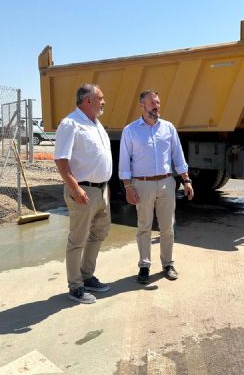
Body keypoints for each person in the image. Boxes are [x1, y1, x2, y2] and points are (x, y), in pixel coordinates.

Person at [119, 90, 194, 284]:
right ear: (141, 105)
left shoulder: (168, 128)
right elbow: (124, 162)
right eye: (152, 103)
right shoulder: (130, 130)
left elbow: (178, 156)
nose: (156, 106)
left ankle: (168, 264)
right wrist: (127, 186)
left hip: (166, 183)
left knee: (167, 227)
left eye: (158, 103)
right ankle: (144, 266)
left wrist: (186, 180)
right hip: (142, 184)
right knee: (144, 227)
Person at [54, 83, 112, 304]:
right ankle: (75, 286)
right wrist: (75, 188)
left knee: (99, 233)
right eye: (101, 98)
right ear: (88, 100)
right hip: (83, 191)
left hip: (101, 190)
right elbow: (61, 160)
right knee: (77, 239)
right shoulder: (71, 124)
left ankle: (87, 276)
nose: (103, 102)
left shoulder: (95, 124)